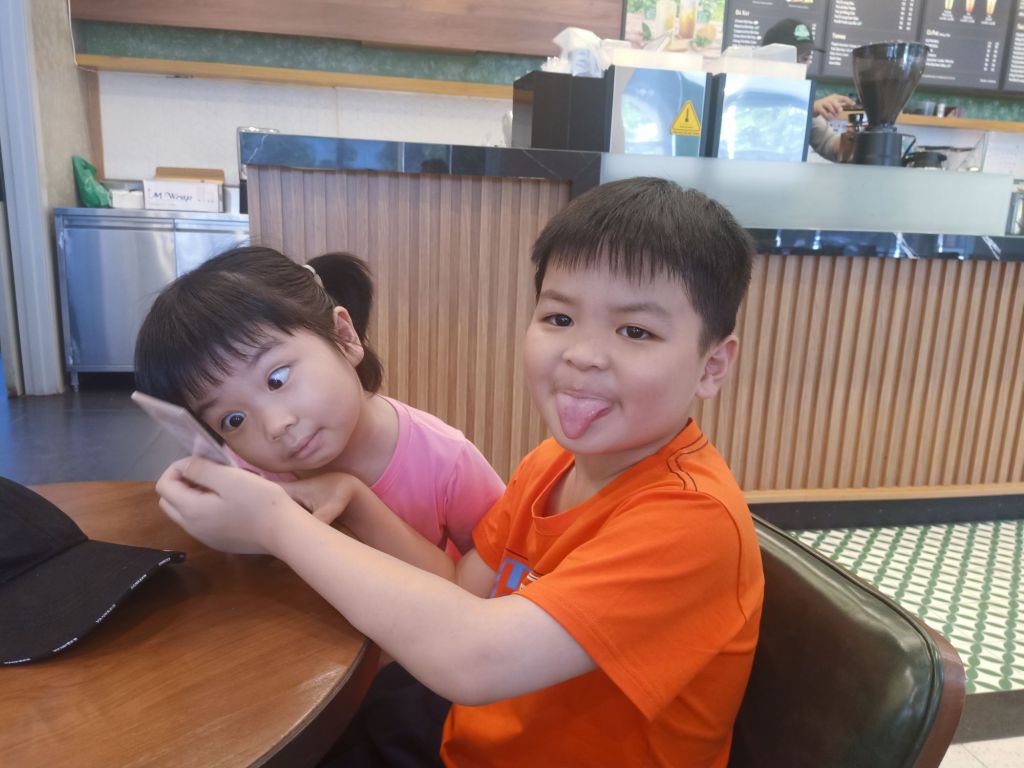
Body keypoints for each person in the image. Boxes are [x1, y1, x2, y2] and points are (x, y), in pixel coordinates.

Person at [153, 178, 765, 767]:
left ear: (712, 365)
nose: (582, 355)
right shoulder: (551, 464)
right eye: (559, 319)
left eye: (635, 330)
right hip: (470, 736)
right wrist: (354, 496)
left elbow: (475, 660)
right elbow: (459, 587)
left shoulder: (691, 520)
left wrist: (275, 523)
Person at [134, 246, 504, 557]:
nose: (275, 425)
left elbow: (501, 567)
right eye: (233, 419)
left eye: (277, 379)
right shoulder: (248, 471)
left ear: (344, 337)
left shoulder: (447, 460)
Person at [761, 18, 855, 161]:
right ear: (769, 59)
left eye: (805, 59)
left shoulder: (801, 98)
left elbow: (831, 146)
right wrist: (809, 108)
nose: (802, 67)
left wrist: (851, 136)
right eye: (792, 58)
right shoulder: (749, 90)